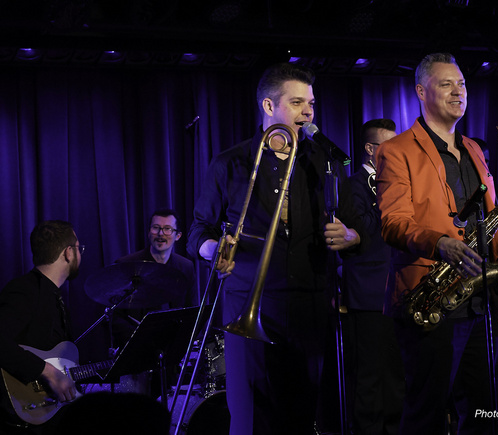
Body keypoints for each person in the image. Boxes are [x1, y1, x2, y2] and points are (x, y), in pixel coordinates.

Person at [187, 62, 362, 434]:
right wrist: (212, 249)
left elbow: (356, 226)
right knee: (251, 415)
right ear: (269, 107)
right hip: (248, 299)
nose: (309, 112)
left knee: (301, 413)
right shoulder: (230, 162)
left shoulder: (323, 161)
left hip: (309, 301)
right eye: (297, 103)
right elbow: (197, 230)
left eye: (311, 103)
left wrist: (350, 236)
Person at [375, 53, 498, 434]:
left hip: (479, 298)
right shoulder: (395, 150)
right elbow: (392, 223)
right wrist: (439, 243)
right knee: (426, 414)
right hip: (431, 296)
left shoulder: (473, 148)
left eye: (462, 84)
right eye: (446, 84)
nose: (459, 92)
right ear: (422, 92)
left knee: (485, 412)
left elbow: (493, 226)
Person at [341, 118, 404, 435]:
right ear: (370, 149)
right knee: (369, 375)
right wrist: (389, 196)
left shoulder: (395, 183)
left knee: (395, 371)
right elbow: (363, 232)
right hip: (368, 293)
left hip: (398, 289)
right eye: (389, 145)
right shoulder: (353, 184)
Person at [0, 220, 83, 434]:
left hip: (50, 412)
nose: (80, 254)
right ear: (68, 253)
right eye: (79, 248)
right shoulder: (24, 291)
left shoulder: (55, 296)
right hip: (24, 419)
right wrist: (48, 372)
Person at [110, 208, 196, 395]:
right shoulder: (126, 264)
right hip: (135, 355)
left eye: (167, 229)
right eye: (156, 228)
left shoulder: (186, 267)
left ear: (178, 235)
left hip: (170, 356)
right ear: (149, 232)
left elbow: (191, 311)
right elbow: (115, 318)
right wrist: (140, 343)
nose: (161, 234)